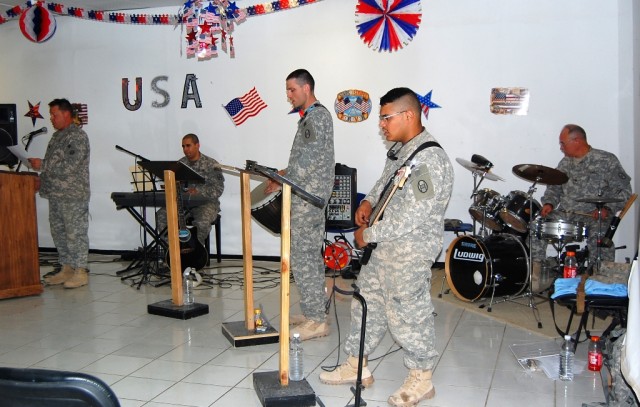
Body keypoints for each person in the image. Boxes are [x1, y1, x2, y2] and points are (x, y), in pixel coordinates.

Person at [319, 87, 454, 406]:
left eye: (386, 117)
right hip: (384, 249)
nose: (381, 124)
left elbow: (414, 215)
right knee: (367, 302)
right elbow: (385, 182)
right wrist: (367, 200)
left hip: (410, 250)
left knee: (408, 311)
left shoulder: (429, 159)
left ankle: (421, 379)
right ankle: (357, 366)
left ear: (408, 115)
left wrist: (370, 233)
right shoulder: (400, 149)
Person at [264, 69, 335, 340]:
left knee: (304, 257)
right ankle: (312, 312)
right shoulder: (311, 118)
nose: (289, 96)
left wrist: (281, 178)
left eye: (292, 90)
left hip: (308, 199)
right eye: (287, 91)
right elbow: (300, 163)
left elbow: (308, 164)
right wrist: (280, 175)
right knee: (306, 257)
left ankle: (317, 320)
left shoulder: (317, 117)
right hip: (305, 195)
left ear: (307, 88)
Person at [533, 124, 632, 267]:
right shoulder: (565, 162)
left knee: (599, 234)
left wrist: (608, 208)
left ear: (577, 141)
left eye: (563, 143)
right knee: (536, 226)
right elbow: (554, 188)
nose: (561, 147)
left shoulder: (606, 160)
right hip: (566, 213)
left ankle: (600, 276)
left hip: (593, 216)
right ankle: (538, 272)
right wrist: (549, 203)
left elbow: (624, 191)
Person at [28, 98, 91, 289]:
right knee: (59, 233)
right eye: (51, 115)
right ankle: (67, 268)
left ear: (66, 114)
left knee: (75, 234)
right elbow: (54, 167)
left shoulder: (77, 136)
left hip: (72, 196)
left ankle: (80, 271)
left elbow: (70, 166)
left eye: (54, 115)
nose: (51, 119)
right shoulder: (57, 137)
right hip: (55, 195)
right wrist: (41, 180)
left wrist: (43, 165)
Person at [156, 133, 225, 248]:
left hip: (205, 203)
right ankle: (174, 251)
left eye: (188, 146)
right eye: (183, 146)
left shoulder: (212, 164)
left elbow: (218, 189)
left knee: (202, 222)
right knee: (162, 216)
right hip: (182, 204)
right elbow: (174, 184)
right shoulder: (180, 164)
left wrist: (198, 191)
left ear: (197, 145)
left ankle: (194, 251)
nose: (185, 149)